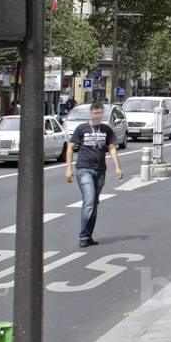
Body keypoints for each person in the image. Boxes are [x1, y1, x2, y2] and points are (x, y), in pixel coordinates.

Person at [65, 100, 123, 247]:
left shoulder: (106, 129)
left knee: (94, 204)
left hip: (100, 170)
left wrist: (117, 167)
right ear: (90, 113)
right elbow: (70, 147)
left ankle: (88, 236)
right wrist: (68, 168)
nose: (97, 115)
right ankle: (83, 237)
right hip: (84, 169)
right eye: (95, 113)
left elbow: (112, 148)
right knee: (89, 202)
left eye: (100, 113)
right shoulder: (82, 128)